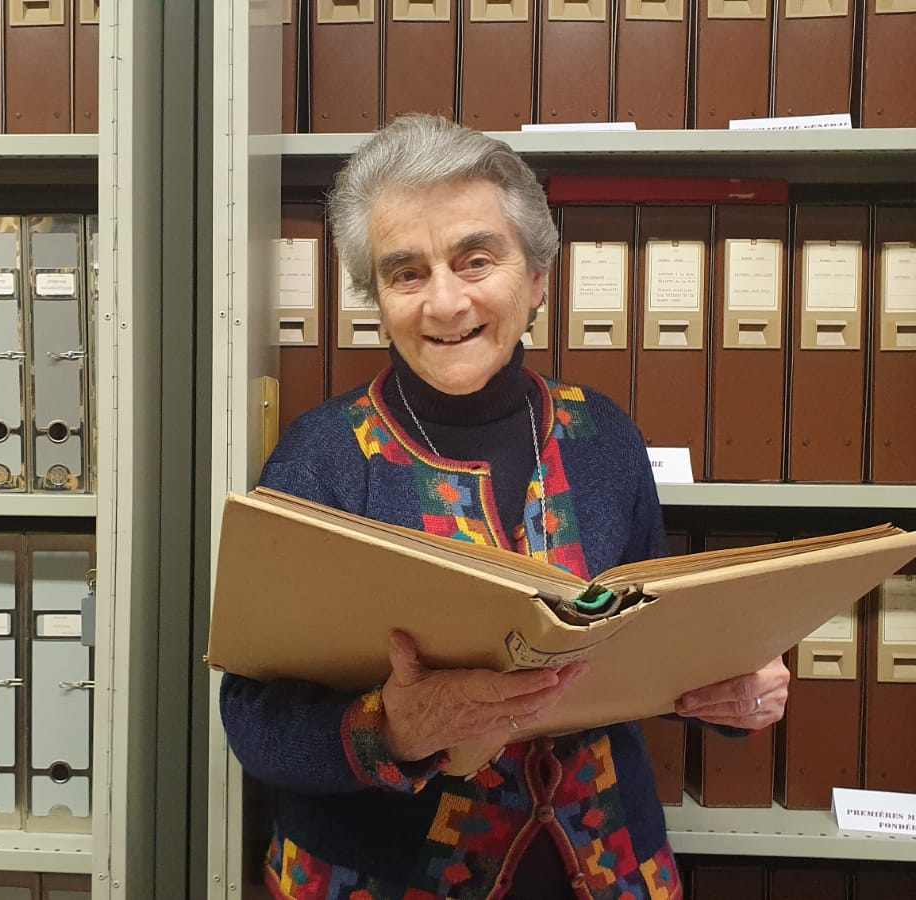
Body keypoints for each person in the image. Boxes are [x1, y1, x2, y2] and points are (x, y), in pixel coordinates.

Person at [219, 114, 791, 900]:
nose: (445, 302)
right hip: (378, 877)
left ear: (540, 280)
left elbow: (657, 637)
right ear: (376, 298)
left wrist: (735, 691)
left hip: (606, 867)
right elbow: (251, 720)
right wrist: (392, 729)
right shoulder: (320, 459)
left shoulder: (604, 436)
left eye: (475, 259)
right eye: (406, 272)